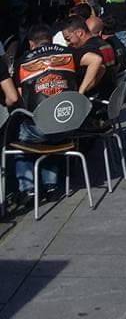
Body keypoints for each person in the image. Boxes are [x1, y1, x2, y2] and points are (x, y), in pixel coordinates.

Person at [13, 23, 80, 205]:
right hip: (68, 122)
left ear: (31, 43)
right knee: (52, 132)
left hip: (41, 128)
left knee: (21, 137)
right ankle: (51, 185)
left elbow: (17, 97)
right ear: (51, 39)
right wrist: (80, 91)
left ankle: (28, 189)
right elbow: (95, 61)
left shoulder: (23, 61)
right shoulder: (69, 54)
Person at [62, 16, 117, 100]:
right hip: (110, 92)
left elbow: (98, 63)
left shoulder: (86, 50)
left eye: (68, 38)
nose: (68, 43)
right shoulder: (106, 44)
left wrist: (81, 92)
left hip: (95, 98)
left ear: (80, 33)